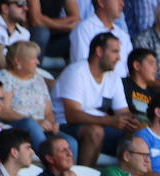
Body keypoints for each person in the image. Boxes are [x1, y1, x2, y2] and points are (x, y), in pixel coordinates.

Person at [53, 33, 136, 167]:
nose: (119, 58)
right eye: (115, 52)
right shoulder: (76, 72)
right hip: (66, 126)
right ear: (99, 51)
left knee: (137, 138)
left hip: (101, 126)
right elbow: (72, 115)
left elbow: (123, 112)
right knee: (95, 132)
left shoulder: (113, 77)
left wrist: (134, 121)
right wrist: (109, 120)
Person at [0, 41, 67, 155]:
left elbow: (48, 112)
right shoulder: (4, 76)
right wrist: (35, 122)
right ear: (18, 61)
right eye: (33, 58)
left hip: (42, 128)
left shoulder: (38, 79)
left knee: (70, 142)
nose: (37, 62)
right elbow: (4, 111)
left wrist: (51, 124)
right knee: (30, 124)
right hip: (16, 127)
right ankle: (50, 163)